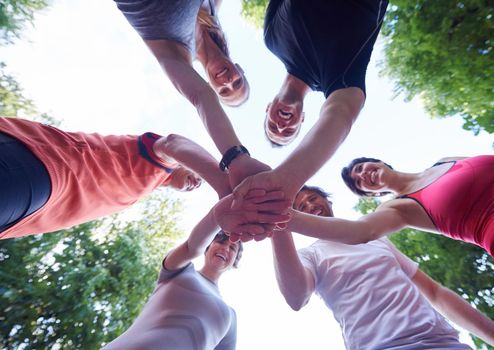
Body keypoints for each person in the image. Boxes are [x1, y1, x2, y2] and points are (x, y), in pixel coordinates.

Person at [271, 185, 494, 349]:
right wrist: (277, 224)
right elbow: (296, 297)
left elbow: (434, 292)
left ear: (326, 199)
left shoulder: (375, 237)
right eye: (301, 207)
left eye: (313, 198)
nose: (310, 205)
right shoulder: (311, 254)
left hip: (444, 343)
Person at [231, 0, 387, 229]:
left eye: (273, 127)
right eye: (289, 132)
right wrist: (285, 178)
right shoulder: (337, 78)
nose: (282, 126)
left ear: (267, 108)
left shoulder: (272, 39)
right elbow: (341, 113)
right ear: (303, 119)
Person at [104, 190, 290, 349]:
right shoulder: (181, 269)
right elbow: (191, 247)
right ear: (208, 246)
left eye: (233, 248)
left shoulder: (230, 316)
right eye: (221, 241)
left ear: (235, 261)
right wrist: (217, 216)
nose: (226, 248)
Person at [114, 0, 268, 188]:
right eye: (237, 82)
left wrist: (236, 157)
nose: (228, 81)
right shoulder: (213, 11)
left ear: (211, 86)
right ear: (239, 69)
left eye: (224, 91)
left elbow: (201, 97)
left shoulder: (178, 55)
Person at [0, 117, 231, 239]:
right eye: (199, 173)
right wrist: (225, 186)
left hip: (31, 212)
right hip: (45, 167)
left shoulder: (147, 185)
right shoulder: (160, 161)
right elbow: (173, 143)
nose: (198, 182)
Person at [329, 155, 494, 287]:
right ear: (374, 193)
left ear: (379, 162)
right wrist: (297, 217)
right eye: (358, 182)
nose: (362, 174)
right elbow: (361, 231)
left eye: (360, 168)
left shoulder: (445, 161)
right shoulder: (397, 208)